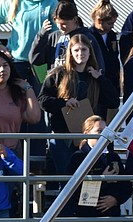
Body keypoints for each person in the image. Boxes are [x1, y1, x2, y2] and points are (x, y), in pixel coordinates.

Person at [38, 34, 117, 174]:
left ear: (90, 52)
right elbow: (42, 100)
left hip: (90, 138)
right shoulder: (57, 74)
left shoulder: (96, 76)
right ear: (70, 52)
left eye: (84, 50)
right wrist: (64, 103)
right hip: (63, 136)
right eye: (76, 50)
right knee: (66, 178)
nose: (80, 54)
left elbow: (114, 101)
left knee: (89, 176)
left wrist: (100, 79)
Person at [30, 0, 105, 72]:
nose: (60, 27)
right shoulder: (54, 37)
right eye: (58, 23)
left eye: (64, 24)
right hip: (56, 82)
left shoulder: (86, 37)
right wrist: (41, 35)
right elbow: (35, 60)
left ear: (75, 19)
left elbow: (98, 65)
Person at [89, 0, 121, 111]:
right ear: (99, 20)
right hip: (97, 83)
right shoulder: (90, 36)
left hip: (111, 81)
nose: (112, 26)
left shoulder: (111, 36)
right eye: (109, 23)